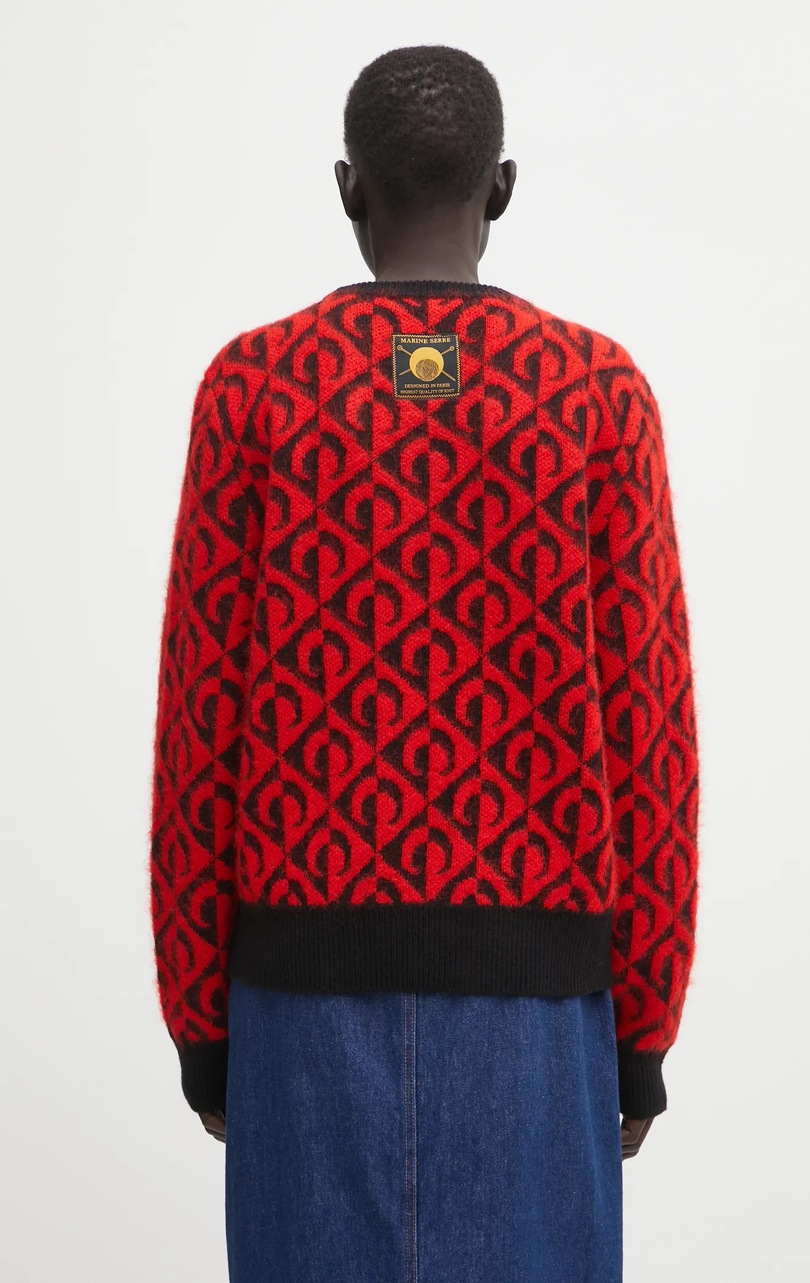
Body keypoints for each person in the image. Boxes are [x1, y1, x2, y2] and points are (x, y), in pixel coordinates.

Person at [149, 43, 700, 1283]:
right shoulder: (598, 393)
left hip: (297, 1000)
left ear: (349, 188)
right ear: (501, 187)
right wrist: (644, 1025)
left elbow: (196, 730)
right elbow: (653, 734)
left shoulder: (252, 389)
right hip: (542, 1011)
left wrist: (199, 1017)